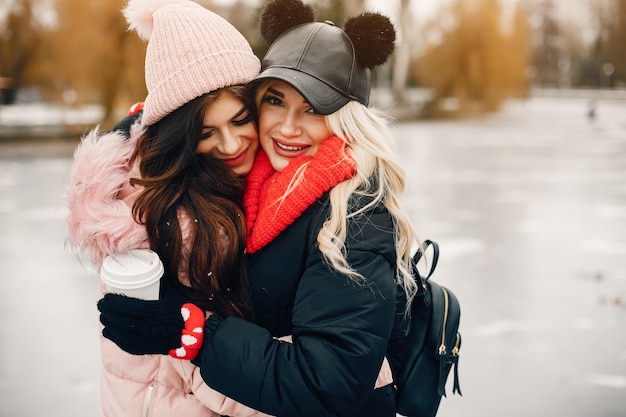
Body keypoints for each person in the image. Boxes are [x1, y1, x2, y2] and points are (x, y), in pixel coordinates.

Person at [97, 0, 422, 416]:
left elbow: (330, 381)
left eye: (314, 108)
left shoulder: (352, 212)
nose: (287, 128)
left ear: (346, 117)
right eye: (274, 101)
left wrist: (194, 334)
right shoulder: (243, 183)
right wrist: (141, 135)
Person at [66, 0, 271, 416]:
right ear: (178, 134)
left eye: (240, 119)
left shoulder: (192, 186)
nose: (231, 146)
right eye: (206, 131)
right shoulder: (177, 224)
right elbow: (217, 375)